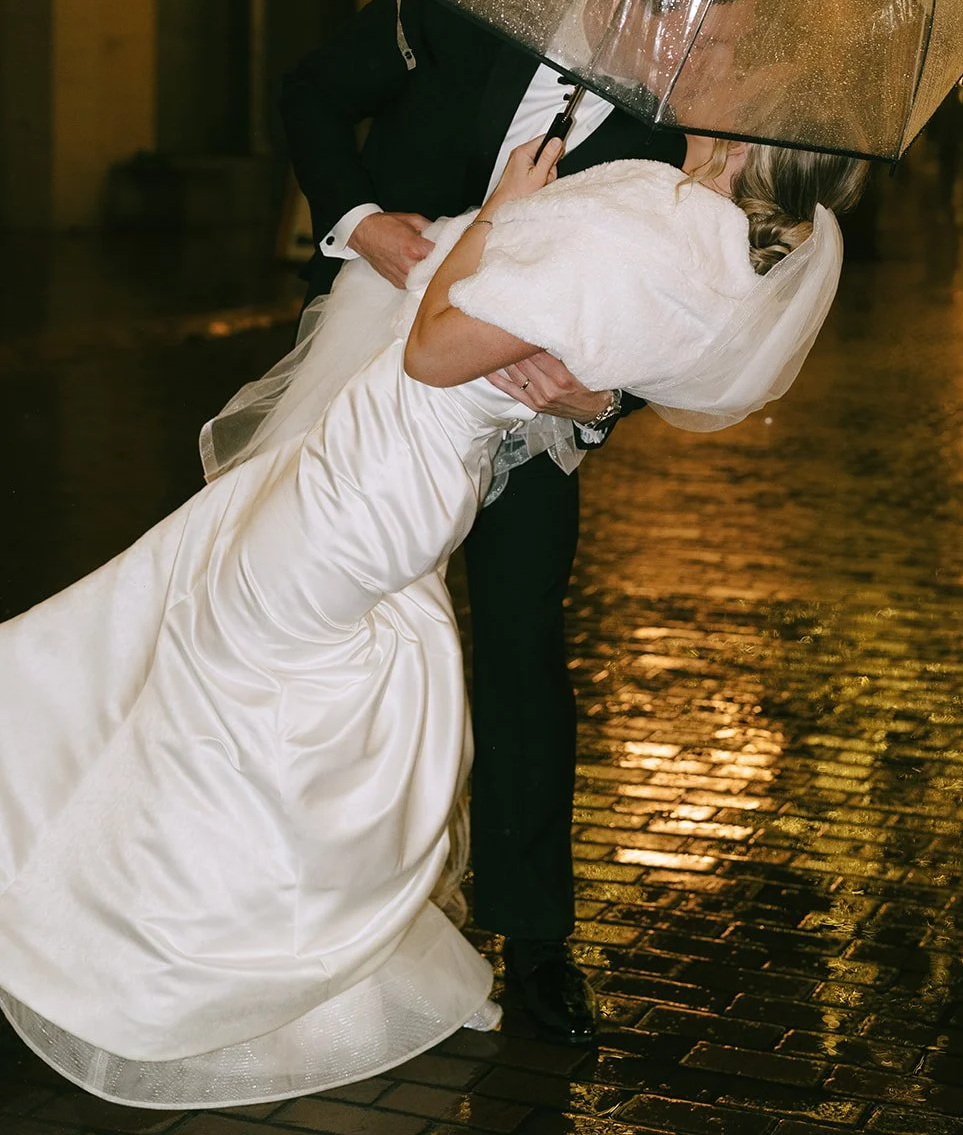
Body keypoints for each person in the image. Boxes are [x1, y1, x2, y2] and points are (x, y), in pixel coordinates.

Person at [0, 126, 865, 1111]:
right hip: (387, 469)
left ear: (751, 152)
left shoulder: (652, 231)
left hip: (374, 483)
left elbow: (433, 351)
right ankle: (166, 904)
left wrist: (500, 210)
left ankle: (151, 936)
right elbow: (566, 346)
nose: (722, 89)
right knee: (223, 657)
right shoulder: (694, 242)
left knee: (231, 665)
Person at [278, 0, 759, 1043]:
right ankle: (303, 871)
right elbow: (310, 90)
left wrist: (597, 396)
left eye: (698, 29)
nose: (676, 52)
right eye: (664, 18)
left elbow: (672, 291)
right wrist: (357, 216)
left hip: (523, 415)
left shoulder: (678, 121)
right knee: (319, 609)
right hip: (359, 352)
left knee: (519, 641)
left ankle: (534, 938)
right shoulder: (459, 0)